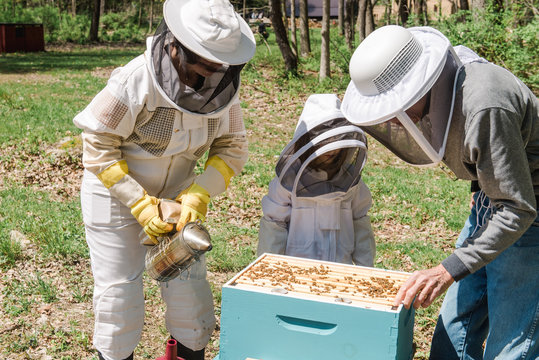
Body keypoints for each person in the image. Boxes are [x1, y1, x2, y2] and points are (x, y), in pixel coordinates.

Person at [341, 25, 538, 359]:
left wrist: (447, 269)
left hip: (528, 213)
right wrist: (480, 187)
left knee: (510, 344)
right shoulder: (446, 91)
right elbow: (489, 153)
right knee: (454, 329)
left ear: (421, 85)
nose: (393, 123)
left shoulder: (485, 103)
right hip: (496, 202)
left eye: (395, 110)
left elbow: (518, 208)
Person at [73, 0, 256, 359]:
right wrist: (140, 204)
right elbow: (97, 143)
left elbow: (231, 147)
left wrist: (199, 193)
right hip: (116, 196)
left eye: (220, 69)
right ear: (175, 47)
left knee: (190, 294)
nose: (210, 77)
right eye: (203, 67)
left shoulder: (223, 92)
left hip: (177, 198)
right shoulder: (134, 80)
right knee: (119, 298)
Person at [258, 94, 376, 267]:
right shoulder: (289, 180)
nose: (332, 146)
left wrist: (366, 269)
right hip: (298, 271)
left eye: (336, 139)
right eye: (325, 140)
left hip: (340, 270)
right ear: (308, 140)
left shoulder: (350, 180)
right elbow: (274, 226)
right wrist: (267, 271)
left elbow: (360, 222)